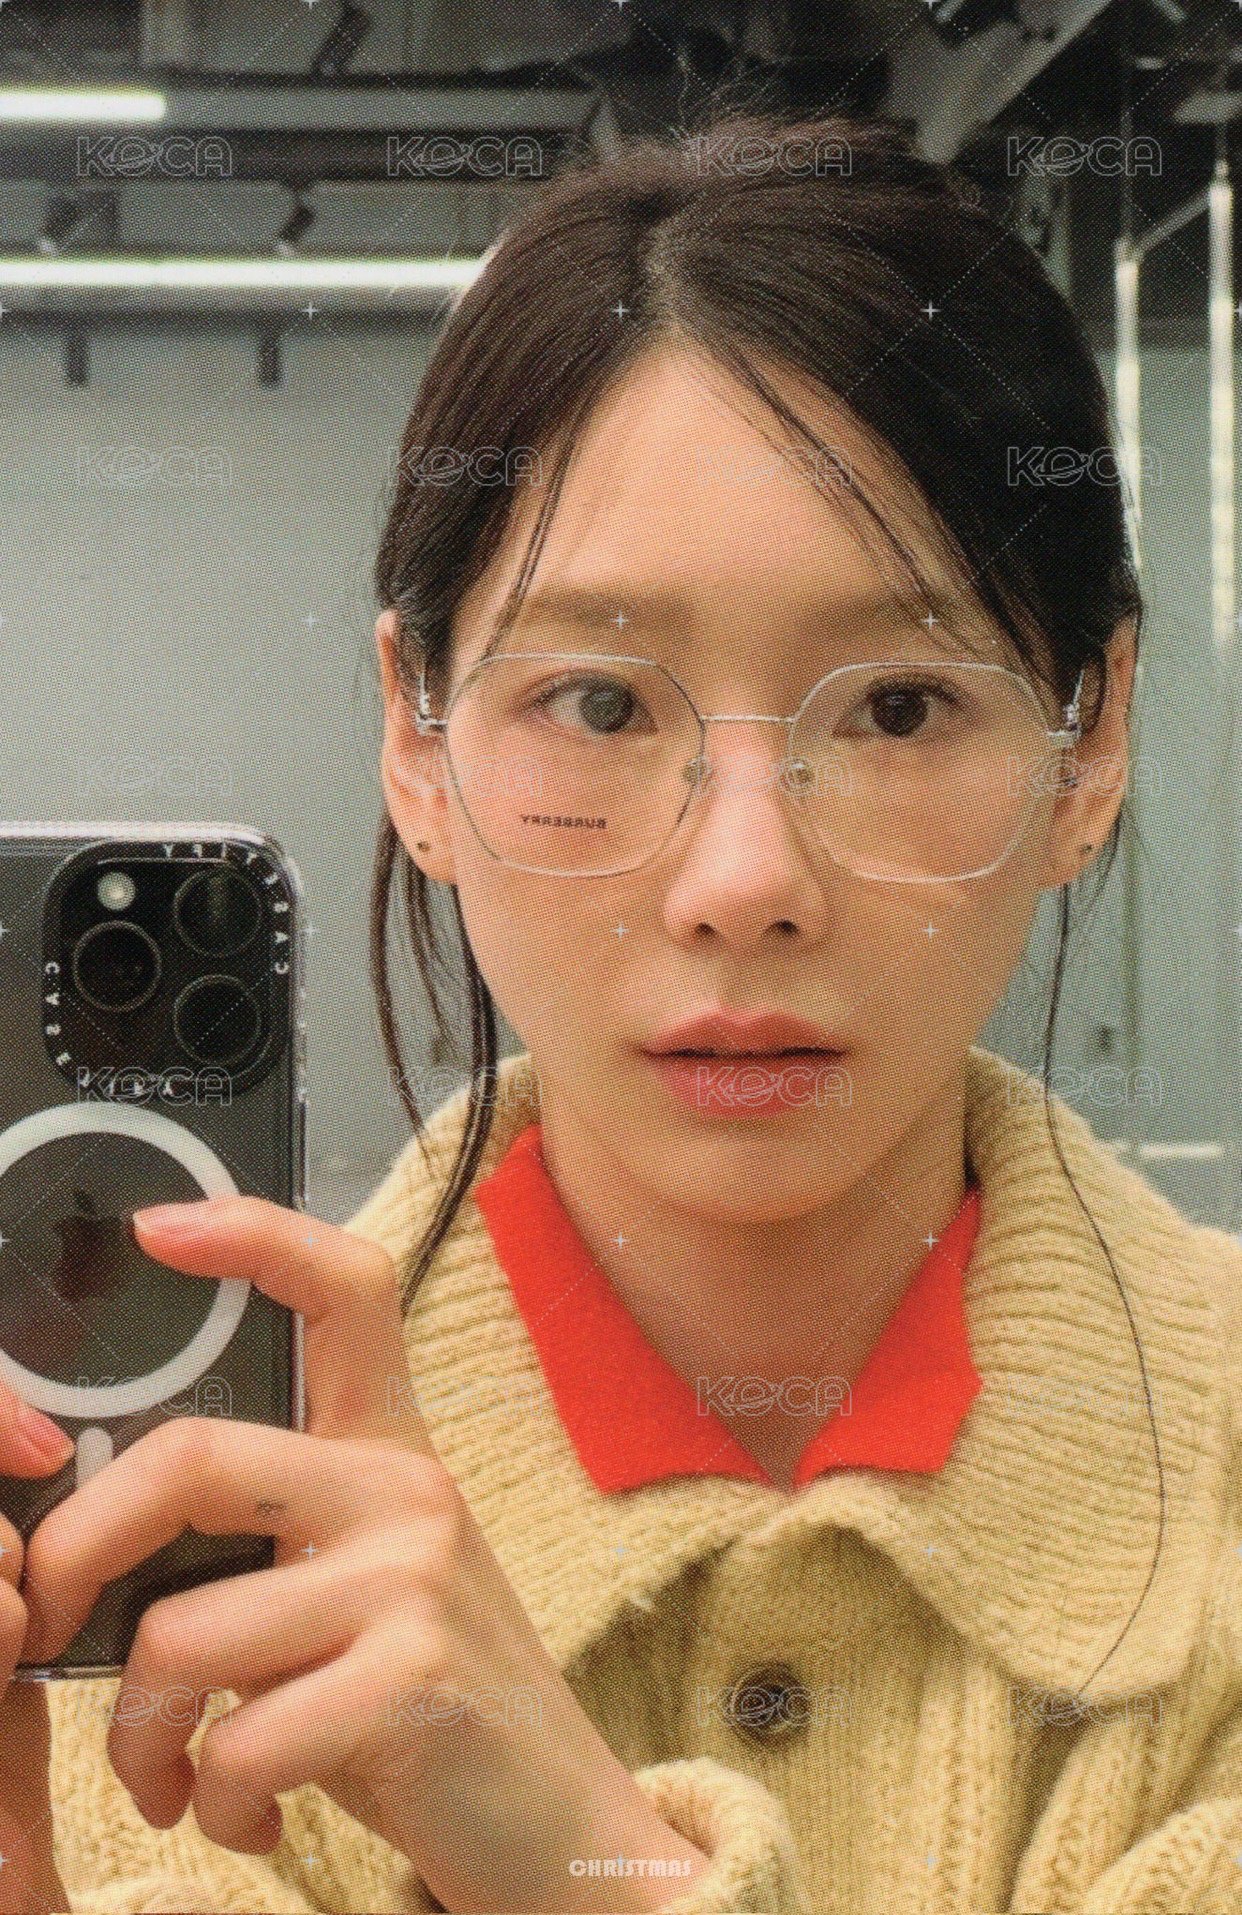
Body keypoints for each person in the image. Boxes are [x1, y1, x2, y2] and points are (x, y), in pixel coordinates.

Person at [7, 110, 1242, 1915]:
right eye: (596, 704)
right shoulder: (117, 1605)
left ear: (1091, 738)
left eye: (896, 708)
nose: (742, 877)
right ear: (416, 738)